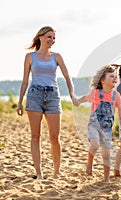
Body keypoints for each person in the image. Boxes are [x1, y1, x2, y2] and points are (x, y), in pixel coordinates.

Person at [16, 26, 76, 179]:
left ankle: (56, 172)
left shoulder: (57, 56)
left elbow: (68, 78)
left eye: (54, 38)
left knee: (55, 137)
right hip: (34, 95)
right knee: (35, 136)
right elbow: (24, 81)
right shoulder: (30, 57)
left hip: (53, 96)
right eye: (49, 37)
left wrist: (72, 96)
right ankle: (39, 173)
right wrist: (19, 101)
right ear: (40, 37)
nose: (52, 40)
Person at [73, 65, 121, 182]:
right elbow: (85, 98)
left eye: (115, 77)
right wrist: (78, 102)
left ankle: (106, 178)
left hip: (107, 129)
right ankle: (89, 162)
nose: (115, 79)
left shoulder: (116, 95)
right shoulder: (96, 93)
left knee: (106, 155)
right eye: (111, 76)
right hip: (94, 125)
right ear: (103, 80)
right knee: (94, 145)